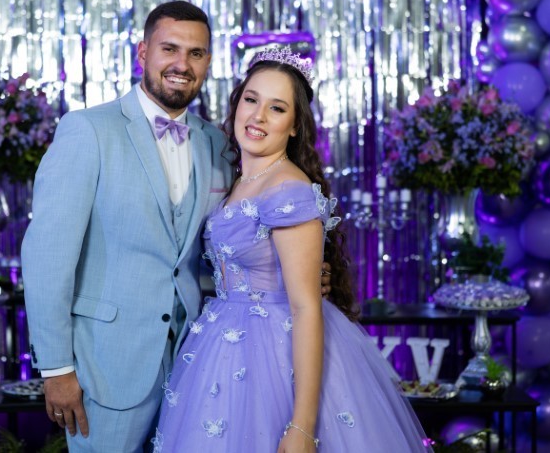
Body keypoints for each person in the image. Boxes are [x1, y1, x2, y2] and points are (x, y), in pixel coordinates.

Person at [21, 1, 330, 452]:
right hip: (107, 366)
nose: (182, 64)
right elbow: (47, 258)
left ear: (207, 62)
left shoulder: (219, 143)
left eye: (196, 53)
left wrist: (290, 277)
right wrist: (56, 368)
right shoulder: (87, 131)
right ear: (143, 52)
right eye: (170, 49)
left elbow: (224, 247)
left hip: (196, 366)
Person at [153, 47, 432, 452]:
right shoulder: (238, 178)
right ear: (236, 104)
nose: (258, 116)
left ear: (296, 125)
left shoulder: (290, 189)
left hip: (277, 350)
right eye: (251, 100)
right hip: (222, 340)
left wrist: (302, 426)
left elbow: (305, 307)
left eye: (277, 108)